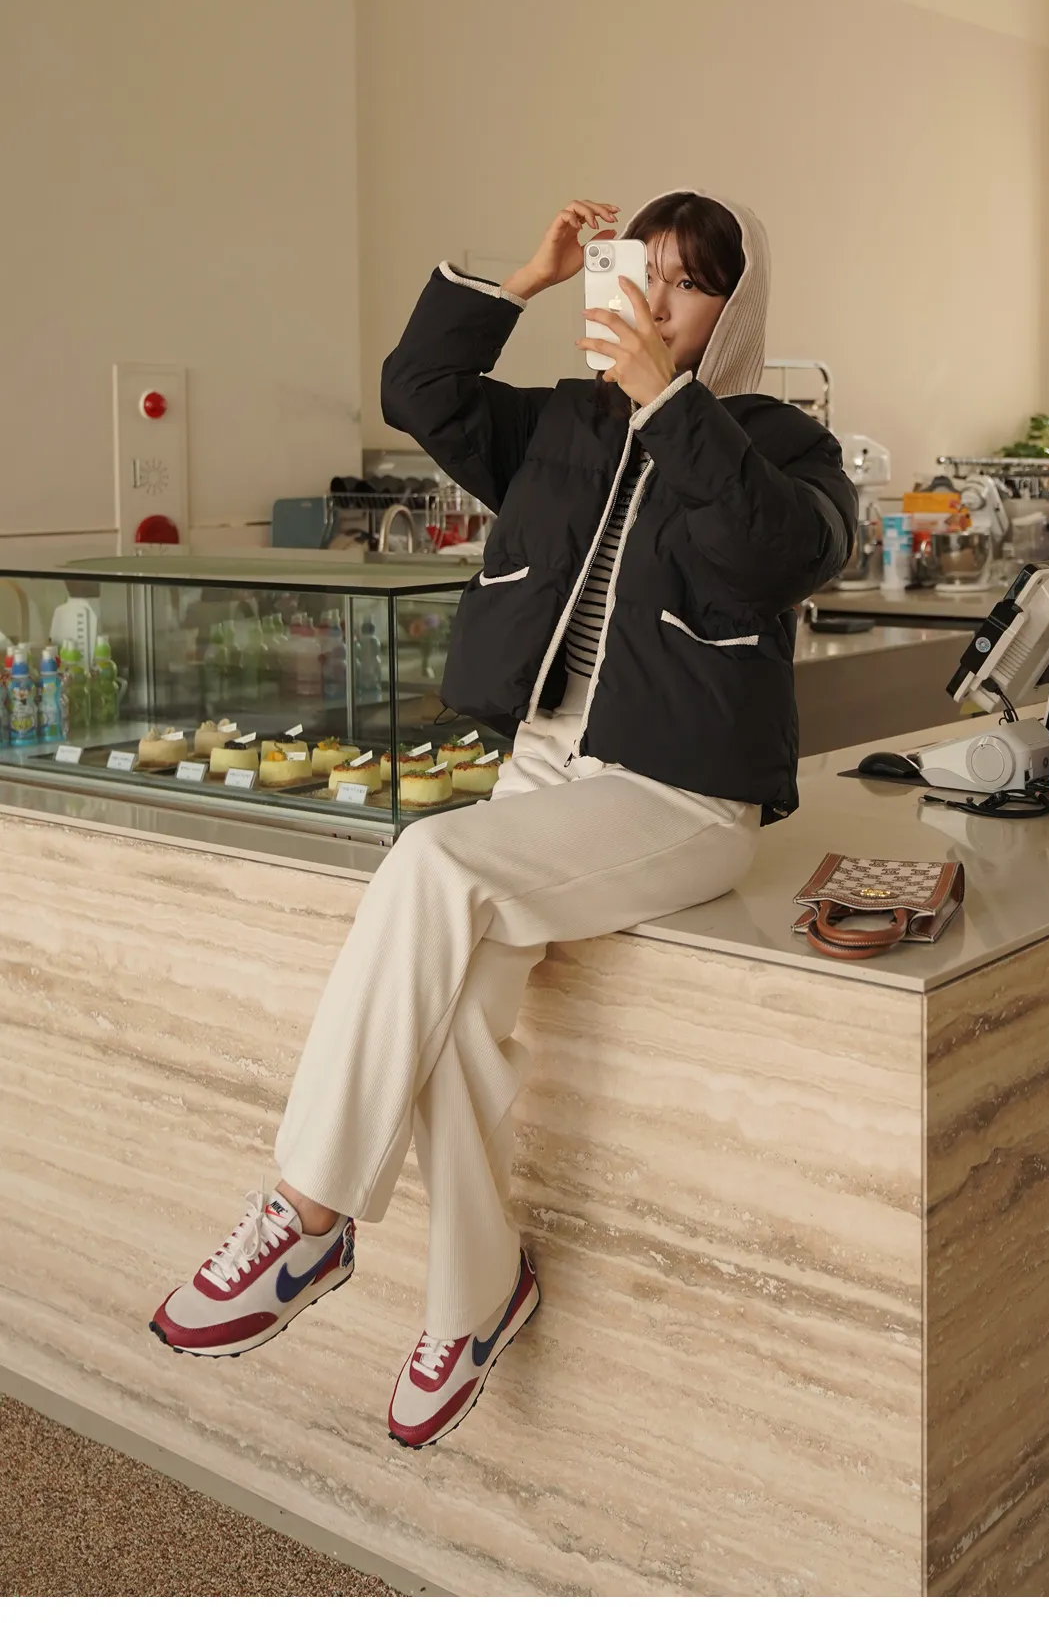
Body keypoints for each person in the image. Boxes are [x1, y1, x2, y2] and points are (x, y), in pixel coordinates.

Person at [150, 190, 857, 1450]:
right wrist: (522, 280)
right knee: (458, 1027)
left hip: (682, 792)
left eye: (690, 283)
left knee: (430, 858)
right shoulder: (561, 423)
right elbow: (418, 389)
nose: (656, 299)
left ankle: (306, 1214)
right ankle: (477, 1299)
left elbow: (781, 552)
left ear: (733, 310)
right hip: (542, 773)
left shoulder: (781, 446)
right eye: (643, 269)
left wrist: (668, 405)